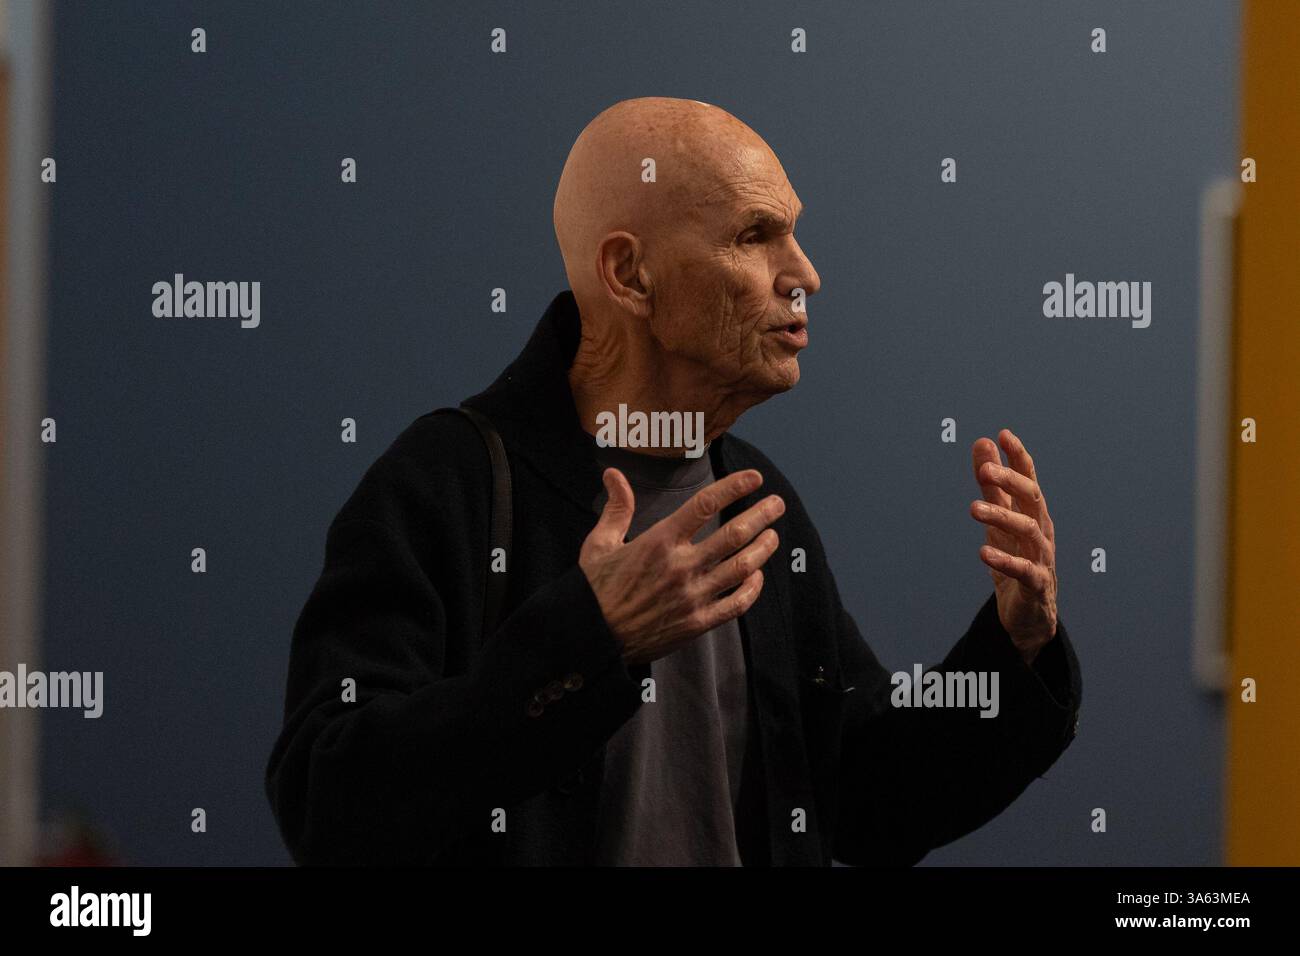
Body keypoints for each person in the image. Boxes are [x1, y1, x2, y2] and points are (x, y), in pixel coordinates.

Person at [265, 96, 1081, 866]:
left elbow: (867, 797)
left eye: (794, 234)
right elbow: (328, 800)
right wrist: (592, 638)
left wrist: (1018, 643)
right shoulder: (447, 484)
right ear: (629, 276)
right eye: (755, 236)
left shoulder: (758, 500)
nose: (804, 274)